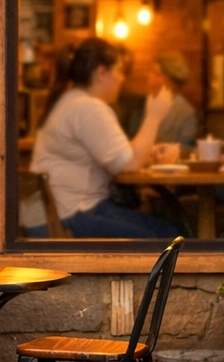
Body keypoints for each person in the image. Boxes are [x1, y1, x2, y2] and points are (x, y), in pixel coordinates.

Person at [32, 37, 177, 239]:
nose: (121, 78)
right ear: (101, 73)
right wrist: (154, 116)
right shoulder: (89, 108)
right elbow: (130, 164)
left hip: (56, 214)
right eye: (118, 71)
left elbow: (124, 156)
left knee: (162, 225)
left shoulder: (74, 100)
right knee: (169, 234)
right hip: (70, 217)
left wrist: (146, 152)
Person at [148, 53, 199, 148]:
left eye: (157, 74)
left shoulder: (185, 112)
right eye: (151, 72)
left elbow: (185, 148)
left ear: (171, 81)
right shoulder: (140, 105)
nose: (151, 77)